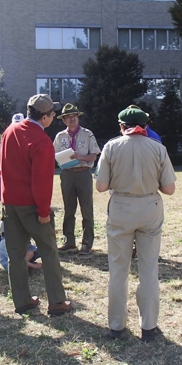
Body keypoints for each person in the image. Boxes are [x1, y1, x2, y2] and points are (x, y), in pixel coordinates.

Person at [95, 107, 177, 342]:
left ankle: (117, 327)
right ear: (146, 126)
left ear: (122, 126)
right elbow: (169, 189)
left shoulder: (112, 146)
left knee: (118, 270)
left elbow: (101, 186)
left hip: (121, 206)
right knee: (149, 269)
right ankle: (149, 327)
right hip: (150, 206)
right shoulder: (158, 148)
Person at [0, 94, 72, 316]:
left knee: (15, 254)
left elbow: (2, 167)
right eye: (52, 114)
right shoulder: (41, 141)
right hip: (31, 205)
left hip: (9, 203)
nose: (54, 117)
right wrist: (43, 212)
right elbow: (42, 180)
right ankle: (57, 301)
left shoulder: (9, 131)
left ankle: (21, 301)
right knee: (49, 251)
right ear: (44, 117)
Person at [54, 103, 101, 255]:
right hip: (67, 174)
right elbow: (53, 154)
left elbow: (94, 155)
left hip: (83, 173)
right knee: (69, 208)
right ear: (64, 120)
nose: (71, 119)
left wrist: (80, 156)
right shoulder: (60, 137)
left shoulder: (87, 134)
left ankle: (87, 242)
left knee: (86, 209)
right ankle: (69, 241)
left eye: (74, 116)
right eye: (68, 117)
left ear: (78, 118)